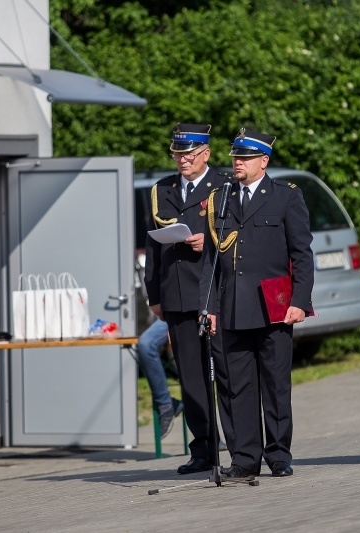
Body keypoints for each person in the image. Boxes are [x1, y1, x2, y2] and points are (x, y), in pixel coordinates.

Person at [200, 128, 314, 479]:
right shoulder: (221, 199)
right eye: (235, 156)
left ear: (263, 161)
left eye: (245, 158)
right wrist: (210, 306)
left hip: (273, 305)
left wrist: (299, 301)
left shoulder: (285, 197)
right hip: (233, 305)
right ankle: (245, 458)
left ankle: (278, 454)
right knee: (238, 386)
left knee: (276, 384)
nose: (237, 162)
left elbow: (302, 255)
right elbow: (211, 260)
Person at [144, 123, 230, 475]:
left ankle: (241, 446)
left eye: (190, 154)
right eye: (178, 153)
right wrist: (154, 294)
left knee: (227, 374)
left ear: (206, 154)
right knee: (191, 377)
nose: (182, 160)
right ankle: (203, 448)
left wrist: (204, 242)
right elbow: (151, 244)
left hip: (214, 291)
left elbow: (235, 236)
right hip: (177, 293)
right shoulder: (162, 190)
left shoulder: (222, 185)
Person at [135, 318, 183, 438]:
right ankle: (166, 405)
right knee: (145, 345)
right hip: (172, 312)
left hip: (204, 311)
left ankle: (214, 439)